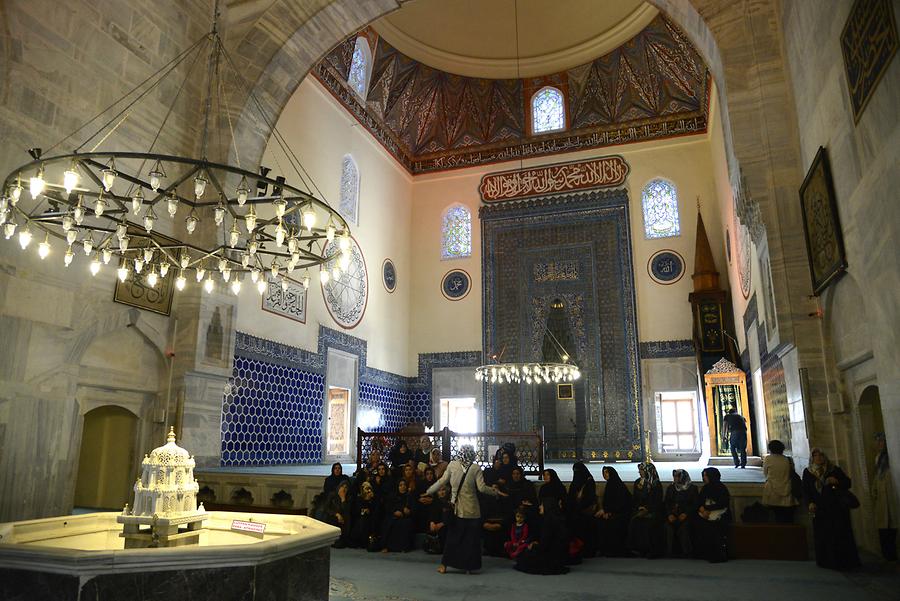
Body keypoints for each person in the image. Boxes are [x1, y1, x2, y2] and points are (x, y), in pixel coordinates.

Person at [424, 444, 504, 574]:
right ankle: (468, 567)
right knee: (471, 540)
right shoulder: (475, 468)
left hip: (456, 508)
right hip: (472, 510)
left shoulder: (452, 465)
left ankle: (444, 566)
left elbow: (442, 481)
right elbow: (482, 488)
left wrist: (429, 490)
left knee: (453, 538)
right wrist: (495, 492)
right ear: (472, 454)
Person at [803, 448, 861, 570]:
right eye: (815, 455)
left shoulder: (833, 470)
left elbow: (847, 483)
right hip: (820, 509)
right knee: (823, 535)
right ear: (812, 458)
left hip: (836, 509)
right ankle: (826, 561)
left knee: (839, 535)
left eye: (821, 455)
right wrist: (810, 503)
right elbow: (806, 490)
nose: (818, 458)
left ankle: (842, 561)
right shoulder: (808, 472)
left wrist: (837, 481)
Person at [513, 496, 570, 575]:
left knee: (524, 557)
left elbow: (545, 545)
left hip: (551, 556)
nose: (540, 507)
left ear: (547, 506)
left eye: (542, 505)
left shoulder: (549, 522)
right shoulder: (557, 519)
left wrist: (534, 545)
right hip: (559, 556)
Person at [627, 462, 665, 558]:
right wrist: (639, 507)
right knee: (635, 521)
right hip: (640, 509)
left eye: (641, 470)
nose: (639, 472)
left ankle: (651, 550)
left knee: (649, 523)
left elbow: (657, 500)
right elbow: (635, 499)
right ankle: (638, 549)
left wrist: (647, 508)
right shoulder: (638, 482)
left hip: (653, 510)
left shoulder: (656, 484)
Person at [595, 466, 632, 557]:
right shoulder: (609, 485)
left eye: (607, 472)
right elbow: (607, 502)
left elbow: (621, 503)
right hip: (611, 512)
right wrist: (606, 511)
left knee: (612, 522)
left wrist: (609, 512)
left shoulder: (618, 485)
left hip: (621, 513)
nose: (605, 474)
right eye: (604, 472)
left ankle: (614, 550)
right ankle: (604, 549)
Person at [695, 467, 730, 563]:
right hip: (705, 514)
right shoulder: (705, 488)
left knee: (714, 528)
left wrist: (708, 509)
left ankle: (718, 554)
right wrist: (702, 510)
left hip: (720, 514)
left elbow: (723, 503)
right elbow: (699, 501)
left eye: (705, 476)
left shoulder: (721, 488)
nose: (704, 478)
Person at [872, 433, 897, 561]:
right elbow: (877, 475)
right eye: (877, 441)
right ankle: (886, 555)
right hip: (882, 497)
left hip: (892, 495)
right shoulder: (878, 458)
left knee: (893, 525)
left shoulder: (893, 455)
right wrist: (874, 489)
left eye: (882, 441)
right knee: (883, 526)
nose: (879, 444)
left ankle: (892, 555)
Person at [567, 462, 598, 557]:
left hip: (585, 511)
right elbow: (570, 498)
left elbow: (590, 499)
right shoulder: (575, 482)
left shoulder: (589, 482)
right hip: (575, 511)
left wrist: (581, 499)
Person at [664, 469, 698, 557]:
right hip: (673, 514)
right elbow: (667, 503)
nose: (674, 478)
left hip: (686, 515)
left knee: (684, 527)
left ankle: (687, 552)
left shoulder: (692, 488)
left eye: (676, 476)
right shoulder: (671, 488)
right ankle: (670, 551)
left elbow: (694, 504)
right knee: (668, 527)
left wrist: (686, 514)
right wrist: (669, 514)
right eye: (674, 476)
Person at [762, 440, 798, 523]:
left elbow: (765, 473)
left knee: (776, 518)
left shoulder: (768, 459)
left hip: (772, 491)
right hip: (787, 490)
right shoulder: (787, 459)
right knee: (788, 519)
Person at [380, 479, 414, 552]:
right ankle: (387, 547)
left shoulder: (409, 496)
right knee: (388, 522)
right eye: (400, 485)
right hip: (393, 515)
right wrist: (394, 512)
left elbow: (413, 508)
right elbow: (388, 507)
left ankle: (403, 547)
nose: (403, 487)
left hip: (405, 517)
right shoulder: (393, 495)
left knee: (406, 523)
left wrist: (409, 511)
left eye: (404, 485)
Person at [349, 481, 378, 548]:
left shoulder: (374, 499)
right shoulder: (359, 498)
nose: (368, 490)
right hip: (360, 518)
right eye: (366, 488)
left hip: (372, 517)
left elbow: (376, 510)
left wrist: (371, 500)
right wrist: (363, 509)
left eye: (369, 488)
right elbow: (356, 510)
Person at [324, 480, 352, 548]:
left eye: (346, 487)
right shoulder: (332, 495)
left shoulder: (349, 497)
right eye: (342, 487)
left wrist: (343, 499)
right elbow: (326, 508)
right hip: (333, 516)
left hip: (344, 518)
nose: (344, 489)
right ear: (339, 487)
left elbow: (347, 511)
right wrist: (337, 514)